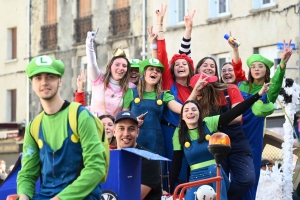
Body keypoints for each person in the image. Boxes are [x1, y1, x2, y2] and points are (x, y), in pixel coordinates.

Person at [18, 55, 106, 200]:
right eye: (38, 77)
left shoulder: (80, 116)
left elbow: (96, 168)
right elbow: (27, 173)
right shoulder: (33, 127)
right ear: (32, 84)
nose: (44, 82)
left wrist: (60, 199)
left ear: (60, 81)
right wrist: (23, 196)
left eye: (50, 77)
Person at [170, 77, 271, 200]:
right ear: (182, 116)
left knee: (216, 170)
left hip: (216, 176)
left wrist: (258, 95)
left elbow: (234, 112)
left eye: (194, 109)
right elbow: (176, 162)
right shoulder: (179, 133)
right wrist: (169, 189)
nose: (190, 112)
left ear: (200, 113)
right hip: (195, 180)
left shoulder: (208, 123)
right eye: (186, 110)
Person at [237, 40, 293, 199]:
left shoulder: (269, 88)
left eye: (260, 66)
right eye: (253, 66)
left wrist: (282, 63)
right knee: (235, 174)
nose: (256, 69)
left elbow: (276, 82)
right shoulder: (241, 85)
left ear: (266, 70)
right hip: (236, 132)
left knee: (251, 174)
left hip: (253, 137)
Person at [123, 58, 183, 157]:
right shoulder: (130, 93)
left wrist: (193, 108)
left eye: (158, 71)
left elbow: (183, 109)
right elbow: (123, 117)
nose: (155, 72)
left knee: (157, 171)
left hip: (156, 141)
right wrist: (132, 121)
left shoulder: (164, 95)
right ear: (143, 73)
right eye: (151, 69)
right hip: (134, 139)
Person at [74, 30, 135, 117]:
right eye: (117, 65)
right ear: (110, 66)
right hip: (94, 127)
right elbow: (92, 63)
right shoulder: (99, 79)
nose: (121, 68)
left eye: (124, 66)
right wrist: (89, 42)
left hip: (112, 129)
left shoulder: (130, 87)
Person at [113, 110, 162, 200]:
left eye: (131, 129)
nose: (126, 134)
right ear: (114, 132)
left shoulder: (149, 159)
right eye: (121, 128)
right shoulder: (109, 158)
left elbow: (133, 197)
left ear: (137, 132)